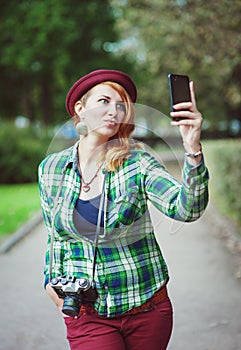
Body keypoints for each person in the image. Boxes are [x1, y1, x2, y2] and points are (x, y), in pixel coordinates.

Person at [38, 69, 209, 350]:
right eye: (104, 101)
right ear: (80, 110)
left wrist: (192, 149)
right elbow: (56, 237)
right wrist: (49, 278)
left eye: (121, 106)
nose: (113, 111)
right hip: (87, 313)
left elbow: (186, 210)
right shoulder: (51, 169)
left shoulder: (139, 163)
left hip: (146, 308)